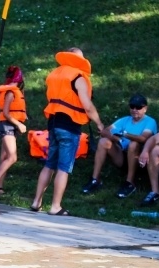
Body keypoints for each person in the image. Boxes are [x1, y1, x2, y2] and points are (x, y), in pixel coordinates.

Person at [30, 48, 104, 216]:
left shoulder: (55, 74)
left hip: (53, 123)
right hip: (69, 126)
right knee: (63, 167)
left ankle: (36, 202)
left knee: (49, 164)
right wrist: (99, 123)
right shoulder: (78, 77)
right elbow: (87, 106)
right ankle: (55, 206)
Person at [82, 93, 157, 198]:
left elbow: (143, 138)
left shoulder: (150, 121)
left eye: (138, 107)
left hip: (140, 159)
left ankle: (130, 182)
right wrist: (117, 139)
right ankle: (95, 179)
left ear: (145, 109)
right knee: (103, 141)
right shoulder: (125, 120)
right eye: (132, 106)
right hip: (122, 155)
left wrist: (125, 135)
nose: (135, 109)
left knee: (134, 144)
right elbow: (105, 131)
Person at [0, 65, 27, 198]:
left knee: (4, 158)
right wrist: (19, 124)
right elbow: (6, 113)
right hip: (7, 126)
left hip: (10, 126)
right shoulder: (10, 92)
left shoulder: (15, 91)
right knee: (12, 157)